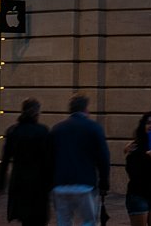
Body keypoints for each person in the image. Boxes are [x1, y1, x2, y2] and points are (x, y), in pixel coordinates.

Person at [49, 93, 111, 226]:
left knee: (63, 221)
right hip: (85, 183)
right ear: (86, 109)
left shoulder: (57, 129)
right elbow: (103, 157)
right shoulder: (94, 127)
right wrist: (104, 182)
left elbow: (50, 157)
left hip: (61, 184)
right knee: (88, 220)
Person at [0, 98, 52, 226]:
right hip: (38, 182)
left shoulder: (13, 131)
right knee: (38, 218)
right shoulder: (43, 131)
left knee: (25, 218)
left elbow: (5, 160)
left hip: (19, 179)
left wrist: (1, 183)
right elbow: (49, 160)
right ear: (36, 113)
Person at [125, 111, 151, 226]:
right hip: (138, 195)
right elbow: (133, 172)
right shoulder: (136, 147)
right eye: (148, 123)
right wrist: (147, 158)